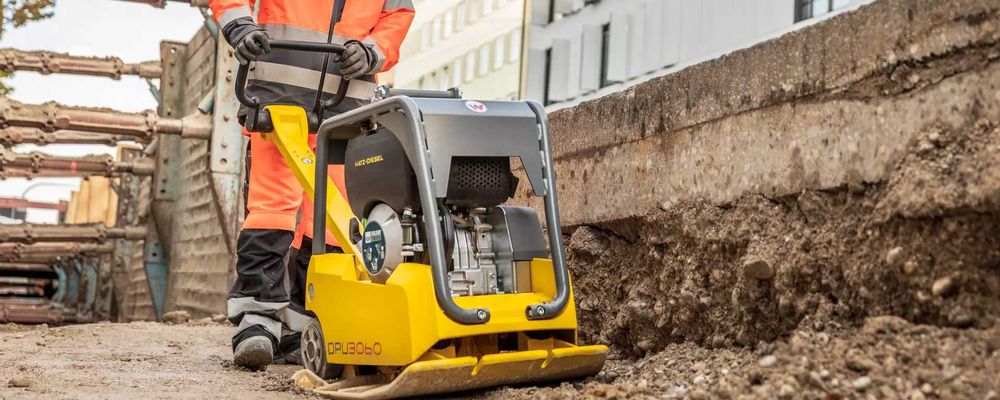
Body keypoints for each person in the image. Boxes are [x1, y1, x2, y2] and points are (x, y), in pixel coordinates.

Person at [207, 0, 414, 370]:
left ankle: (308, 327)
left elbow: (397, 16)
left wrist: (371, 52)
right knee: (273, 208)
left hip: (346, 111)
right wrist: (240, 27)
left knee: (334, 224)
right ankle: (257, 323)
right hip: (277, 103)